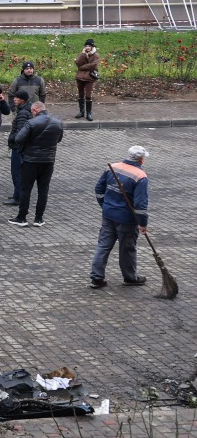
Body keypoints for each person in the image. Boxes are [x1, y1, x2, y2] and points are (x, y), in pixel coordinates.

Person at [89, 146, 151, 288]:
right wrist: (143, 223)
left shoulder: (113, 167)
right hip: (126, 219)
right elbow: (140, 205)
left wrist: (104, 205)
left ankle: (96, 277)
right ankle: (130, 277)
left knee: (103, 246)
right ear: (141, 160)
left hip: (108, 214)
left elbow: (99, 189)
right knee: (127, 248)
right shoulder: (140, 176)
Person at [9, 101, 63, 227]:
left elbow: (18, 139)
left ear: (35, 111)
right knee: (43, 190)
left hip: (31, 161)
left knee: (26, 189)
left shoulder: (31, 123)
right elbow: (59, 139)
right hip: (48, 161)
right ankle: (39, 218)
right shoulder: (58, 122)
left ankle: (22, 217)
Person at [3, 89, 32, 206]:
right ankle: (17, 194)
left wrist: (11, 139)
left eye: (17, 98)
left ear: (23, 100)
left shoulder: (23, 113)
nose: (14, 99)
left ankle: (18, 197)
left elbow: (20, 132)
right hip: (22, 147)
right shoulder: (25, 110)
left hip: (18, 148)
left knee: (17, 173)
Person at [75, 39, 100, 122]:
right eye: (86, 46)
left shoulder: (96, 55)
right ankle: (81, 112)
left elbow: (93, 65)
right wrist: (83, 54)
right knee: (80, 94)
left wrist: (82, 67)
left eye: (89, 46)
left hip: (89, 78)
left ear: (92, 47)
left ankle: (89, 113)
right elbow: (78, 63)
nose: (87, 47)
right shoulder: (82, 54)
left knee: (88, 95)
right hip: (80, 77)